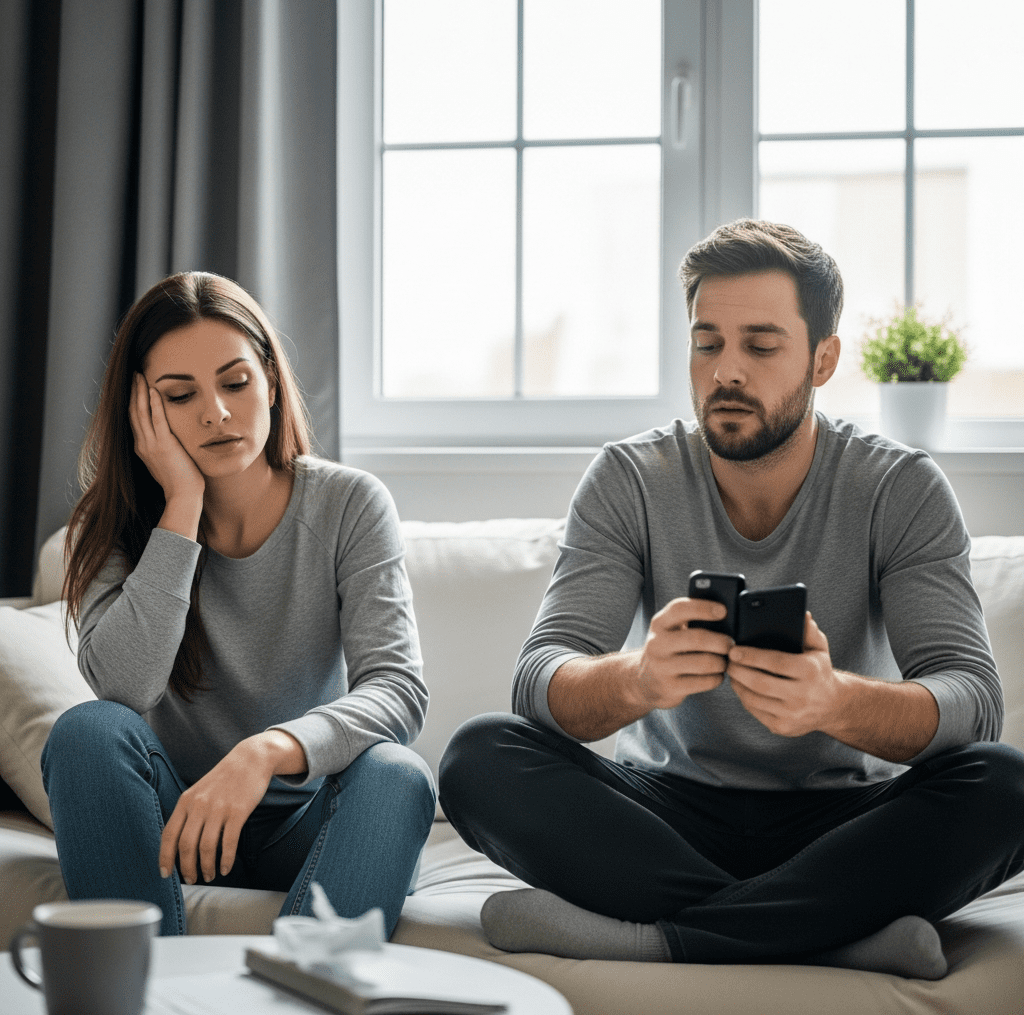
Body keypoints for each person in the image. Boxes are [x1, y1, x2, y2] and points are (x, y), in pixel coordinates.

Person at [439, 219, 1024, 979]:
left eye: (761, 344)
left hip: (839, 819)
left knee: (1007, 785)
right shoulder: (630, 478)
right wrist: (638, 681)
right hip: (665, 812)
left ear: (823, 359)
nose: (726, 371)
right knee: (478, 757)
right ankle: (834, 935)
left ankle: (659, 939)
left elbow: (972, 700)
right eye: (707, 342)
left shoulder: (898, 487)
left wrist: (834, 702)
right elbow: (540, 680)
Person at [42, 271, 435, 937]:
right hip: (172, 827)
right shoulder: (118, 523)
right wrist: (182, 507)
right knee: (87, 731)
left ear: (272, 384)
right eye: (179, 394)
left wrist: (266, 752)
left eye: (235, 382)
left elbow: (398, 690)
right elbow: (122, 686)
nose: (215, 413)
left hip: (305, 825)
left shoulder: (349, 505)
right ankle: (146, 988)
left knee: (398, 774)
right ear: (143, 411)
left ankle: (297, 993)